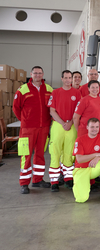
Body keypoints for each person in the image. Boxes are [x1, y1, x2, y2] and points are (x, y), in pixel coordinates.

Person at [13, 66, 53, 194]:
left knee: (40, 154)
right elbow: (16, 108)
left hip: (44, 127)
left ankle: (37, 180)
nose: (37, 75)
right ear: (31, 74)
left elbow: (52, 107)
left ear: (43, 74)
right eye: (35, 73)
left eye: (40, 73)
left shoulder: (49, 89)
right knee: (26, 155)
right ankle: (24, 183)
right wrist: (25, 120)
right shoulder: (23, 89)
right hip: (28, 129)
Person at [48, 70, 81, 192]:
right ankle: (54, 181)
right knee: (55, 152)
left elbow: (77, 111)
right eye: (66, 78)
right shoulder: (55, 92)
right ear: (62, 79)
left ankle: (68, 179)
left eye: (70, 78)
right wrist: (63, 123)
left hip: (71, 125)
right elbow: (52, 111)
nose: (68, 80)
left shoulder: (77, 93)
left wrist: (70, 123)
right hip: (58, 125)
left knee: (69, 152)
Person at [72, 118, 100, 203]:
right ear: (87, 127)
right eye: (92, 127)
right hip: (81, 170)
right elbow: (79, 159)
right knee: (81, 199)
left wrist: (98, 158)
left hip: (93, 168)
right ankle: (80, 184)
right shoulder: (80, 139)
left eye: (97, 127)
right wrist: (96, 155)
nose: (95, 129)